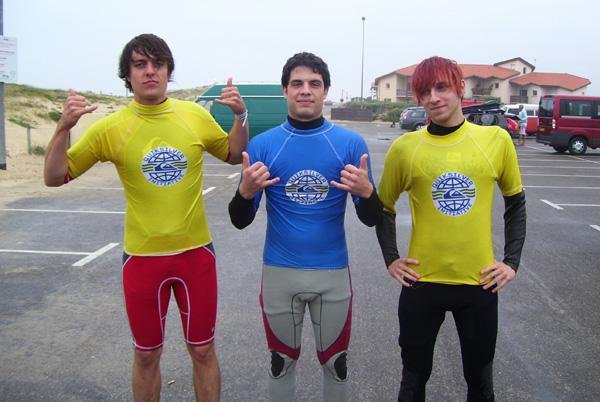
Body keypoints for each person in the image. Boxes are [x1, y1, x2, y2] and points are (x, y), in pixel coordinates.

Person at [43, 33, 249, 402]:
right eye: (140, 64)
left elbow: (234, 154)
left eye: (158, 64)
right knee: (146, 355)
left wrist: (241, 116)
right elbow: (55, 176)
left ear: (169, 71)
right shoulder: (111, 128)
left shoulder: (194, 116)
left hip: (196, 256)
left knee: (203, 349)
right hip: (141, 260)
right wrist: (63, 128)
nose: (150, 71)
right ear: (128, 74)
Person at [228, 52, 382, 401]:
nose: (305, 90)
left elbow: (371, 218)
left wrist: (368, 193)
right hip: (279, 273)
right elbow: (240, 220)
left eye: (314, 83)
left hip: (332, 273)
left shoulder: (350, 145)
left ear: (326, 91)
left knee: (337, 365)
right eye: (297, 83)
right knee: (280, 363)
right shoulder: (263, 145)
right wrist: (245, 192)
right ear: (285, 90)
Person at [375, 56, 526, 402]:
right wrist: (391, 259)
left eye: (441, 87)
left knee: (480, 383)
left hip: (479, 284)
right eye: (424, 91)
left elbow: (516, 203)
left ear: (459, 88)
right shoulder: (405, 148)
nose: (433, 98)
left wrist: (511, 262)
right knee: (412, 382)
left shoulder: (495, 140)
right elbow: (384, 208)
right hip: (422, 283)